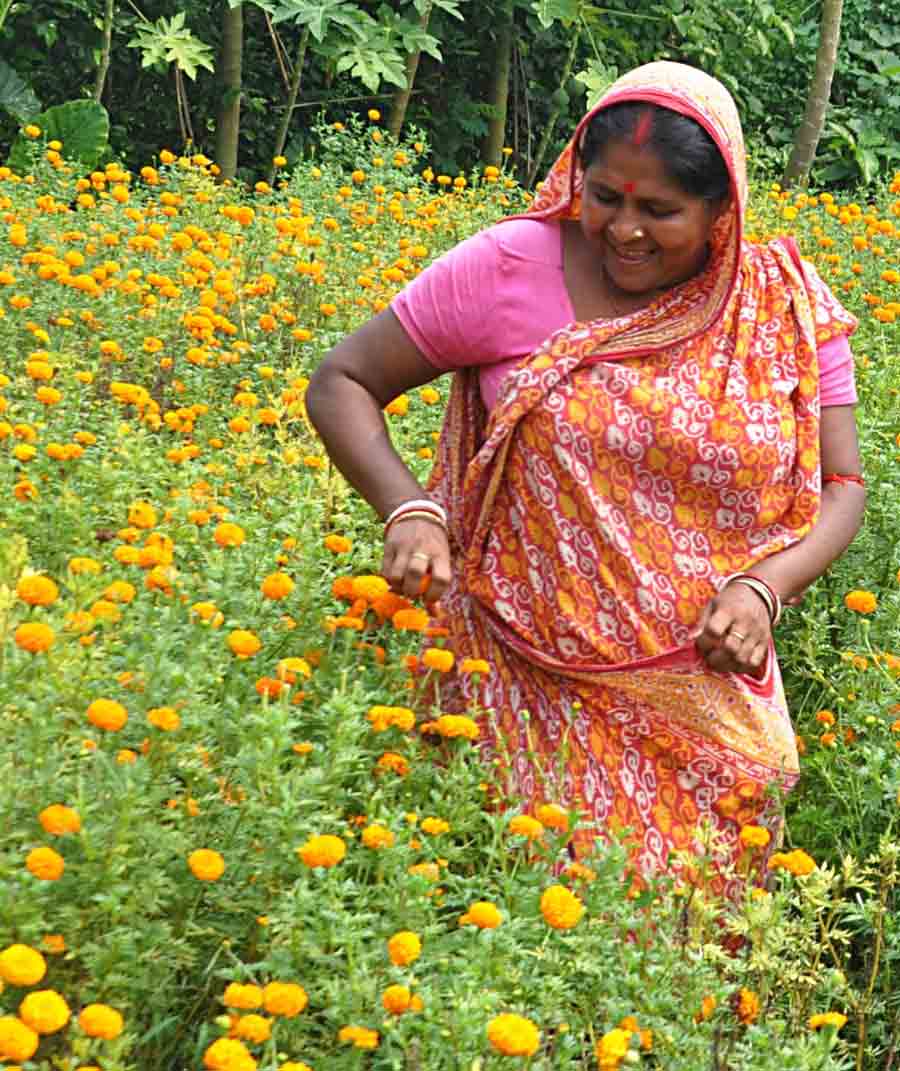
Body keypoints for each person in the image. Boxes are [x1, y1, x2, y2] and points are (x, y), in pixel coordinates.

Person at [306, 62, 865, 891]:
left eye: (660, 210)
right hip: (518, 687)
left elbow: (843, 485)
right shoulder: (507, 266)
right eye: (605, 196)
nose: (624, 230)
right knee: (527, 929)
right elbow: (341, 381)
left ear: (723, 209)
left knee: (695, 958)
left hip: (706, 697)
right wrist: (410, 509)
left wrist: (764, 588)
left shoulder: (781, 305)